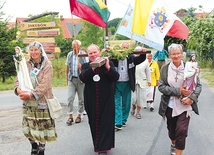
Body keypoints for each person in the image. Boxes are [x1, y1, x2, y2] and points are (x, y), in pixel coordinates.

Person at [14, 41, 58, 155]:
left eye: (36, 50)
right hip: (28, 103)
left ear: (40, 51)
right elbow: (18, 78)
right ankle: (34, 146)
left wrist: (32, 94)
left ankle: (41, 149)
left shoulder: (47, 64)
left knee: (42, 128)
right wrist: (17, 89)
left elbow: (45, 84)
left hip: (42, 101)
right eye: (31, 50)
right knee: (28, 128)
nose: (34, 52)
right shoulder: (25, 64)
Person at [158, 43, 202, 155]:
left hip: (185, 105)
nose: (176, 56)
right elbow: (161, 86)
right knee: (172, 132)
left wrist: (192, 98)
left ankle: (178, 153)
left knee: (181, 131)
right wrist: (178, 91)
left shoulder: (190, 67)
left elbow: (198, 86)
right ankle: (173, 143)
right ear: (169, 55)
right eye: (173, 54)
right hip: (170, 105)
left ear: (182, 54)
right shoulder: (165, 68)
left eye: (178, 53)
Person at [79, 44, 119, 155]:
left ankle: (103, 148)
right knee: (94, 123)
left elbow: (115, 77)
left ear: (99, 52)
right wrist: (93, 68)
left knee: (106, 123)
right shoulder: (86, 65)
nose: (93, 55)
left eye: (95, 52)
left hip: (106, 99)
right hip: (91, 100)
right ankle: (97, 144)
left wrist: (108, 68)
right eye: (90, 53)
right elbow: (82, 78)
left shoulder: (108, 63)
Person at [111, 42, 147, 130]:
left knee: (126, 103)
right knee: (116, 103)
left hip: (127, 83)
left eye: (126, 47)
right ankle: (118, 122)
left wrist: (143, 53)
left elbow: (140, 60)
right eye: (123, 47)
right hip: (117, 83)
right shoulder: (115, 58)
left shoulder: (131, 58)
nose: (124, 49)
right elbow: (108, 60)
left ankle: (123, 120)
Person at [65, 40, 88, 125]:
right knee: (70, 98)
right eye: (73, 47)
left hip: (81, 79)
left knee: (81, 99)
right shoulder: (70, 54)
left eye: (76, 46)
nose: (74, 48)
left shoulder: (83, 55)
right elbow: (67, 66)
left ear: (79, 46)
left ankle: (79, 115)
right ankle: (70, 116)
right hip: (72, 78)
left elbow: (87, 67)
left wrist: (81, 67)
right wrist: (66, 78)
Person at [131, 46, 151, 119]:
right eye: (137, 52)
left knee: (141, 98)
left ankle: (138, 112)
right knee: (134, 98)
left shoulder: (145, 60)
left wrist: (149, 81)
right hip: (133, 81)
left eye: (139, 52)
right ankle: (133, 106)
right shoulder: (132, 59)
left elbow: (147, 71)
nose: (138, 53)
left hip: (142, 81)